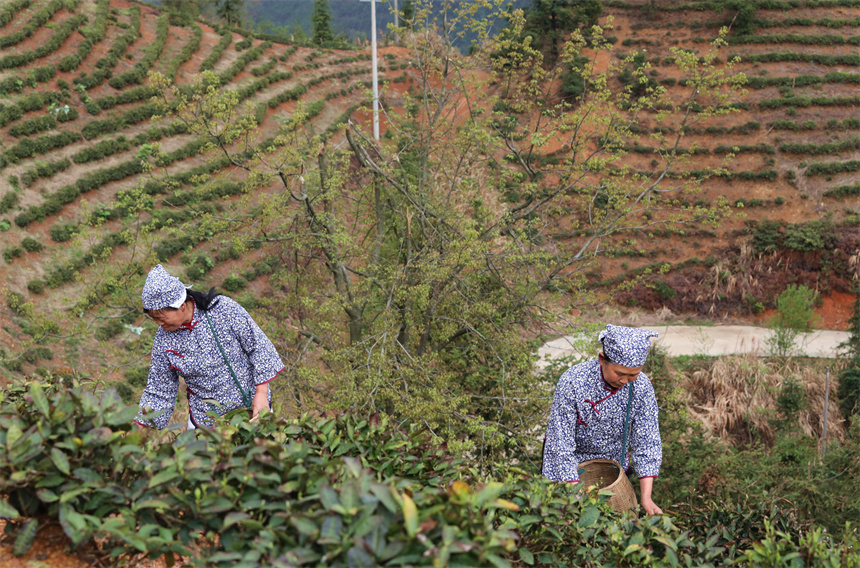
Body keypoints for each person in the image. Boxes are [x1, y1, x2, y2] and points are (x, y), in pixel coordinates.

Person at [134, 264, 284, 430]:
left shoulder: (222, 310)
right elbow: (160, 388)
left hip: (251, 409)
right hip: (206, 423)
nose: (159, 324)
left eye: (162, 317)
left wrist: (261, 394)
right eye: (154, 319)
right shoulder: (163, 340)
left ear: (181, 305)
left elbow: (257, 346)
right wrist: (140, 425)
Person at [542, 324, 663, 515]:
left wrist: (646, 497)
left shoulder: (642, 387)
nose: (625, 381)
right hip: (566, 465)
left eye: (633, 374)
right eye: (620, 373)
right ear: (602, 360)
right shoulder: (573, 381)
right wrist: (575, 489)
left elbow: (647, 440)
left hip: (612, 469)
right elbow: (561, 441)